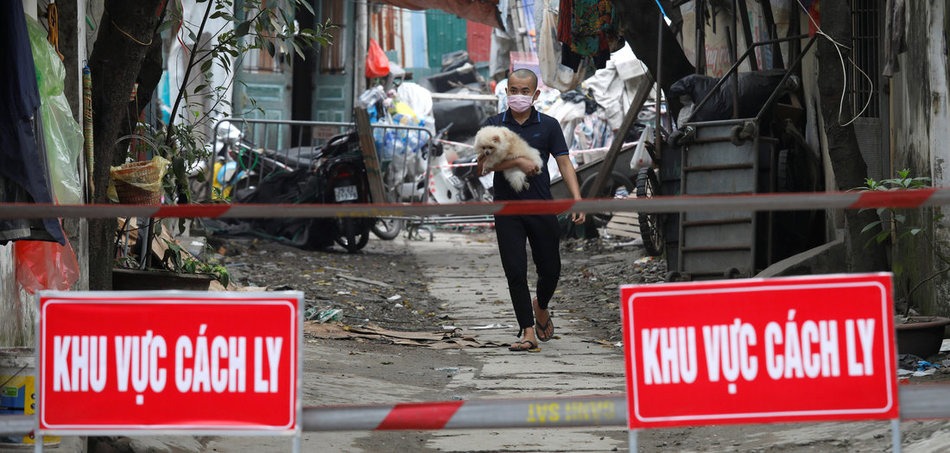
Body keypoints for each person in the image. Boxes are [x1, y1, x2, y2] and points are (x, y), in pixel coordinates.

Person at [479, 68, 585, 352]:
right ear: (506, 92)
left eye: (524, 91)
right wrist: (516, 162)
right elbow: (482, 165)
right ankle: (527, 332)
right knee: (515, 270)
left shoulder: (549, 125)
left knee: (550, 269)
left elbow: (564, 162)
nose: (518, 96)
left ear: (535, 94)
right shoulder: (493, 125)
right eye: (513, 90)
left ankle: (541, 305)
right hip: (507, 209)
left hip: (541, 205)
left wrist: (577, 199)